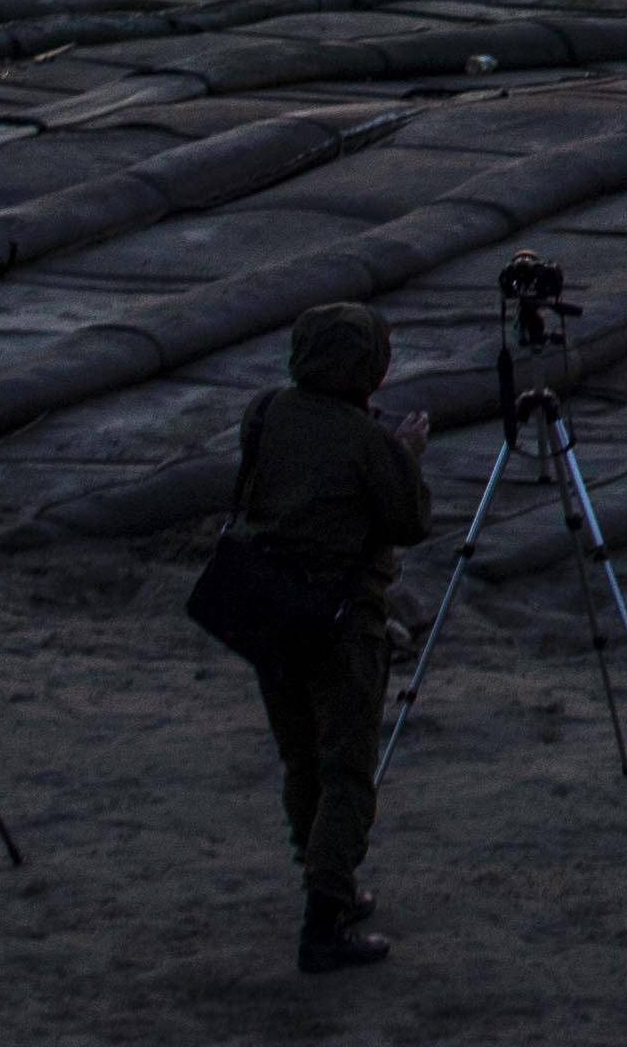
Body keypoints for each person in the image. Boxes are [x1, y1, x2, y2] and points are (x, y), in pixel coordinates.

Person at [234, 299, 434, 974]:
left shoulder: (266, 412)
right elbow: (408, 522)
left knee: (301, 758)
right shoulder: (370, 444)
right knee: (348, 769)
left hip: (268, 608)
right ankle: (325, 918)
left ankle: (325, 883)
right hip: (343, 621)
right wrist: (405, 456)